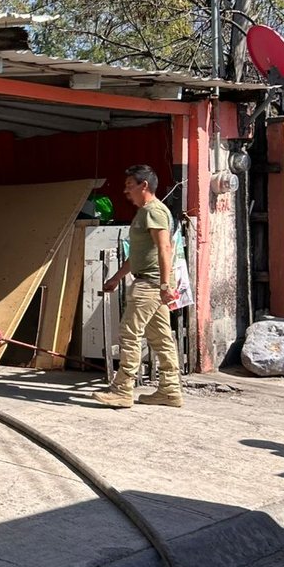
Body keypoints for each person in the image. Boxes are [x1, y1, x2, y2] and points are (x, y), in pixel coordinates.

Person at [92, 165, 184, 409]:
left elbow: (165, 248)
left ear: (144, 186)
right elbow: (138, 255)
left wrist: (165, 284)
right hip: (152, 281)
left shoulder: (153, 211)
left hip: (151, 284)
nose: (126, 191)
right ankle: (170, 390)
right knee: (161, 337)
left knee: (130, 333)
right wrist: (117, 278)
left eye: (129, 186)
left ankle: (122, 389)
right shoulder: (146, 213)